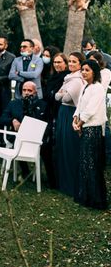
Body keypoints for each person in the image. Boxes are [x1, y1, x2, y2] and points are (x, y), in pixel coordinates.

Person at [72, 59, 108, 209]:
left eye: (87, 70)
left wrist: (80, 123)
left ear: (94, 72)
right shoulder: (85, 87)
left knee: (92, 163)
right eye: (82, 70)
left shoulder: (98, 88)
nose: (84, 73)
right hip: (84, 128)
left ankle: (96, 199)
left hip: (92, 129)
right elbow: (79, 107)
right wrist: (75, 119)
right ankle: (85, 195)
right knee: (84, 163)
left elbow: (91, 110)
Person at [54, 52, 85, 197]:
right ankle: (62, 183)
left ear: (80, 64)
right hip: (63, 112)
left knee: (69, 148)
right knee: (61, 146)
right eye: (70, 61)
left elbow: (64, 97)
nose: (71, 64)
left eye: (74, 62)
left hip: (70, 114)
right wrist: (60, 93)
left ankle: (71, 184)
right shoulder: (68, 78)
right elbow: (56, 95)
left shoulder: (77, 80)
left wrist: (61, 93)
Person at [41, 53, 69, 189]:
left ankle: (57, 180)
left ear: (66, 63)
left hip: (60, 114)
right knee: (47, 146)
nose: (57, 65)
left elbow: (57, 96)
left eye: (60, 62)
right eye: (55, 62)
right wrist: (53, 94)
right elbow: (48, 95)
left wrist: (53, 95)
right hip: (50, 114)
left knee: (57, 147)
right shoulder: (53, 78)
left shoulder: (67, 77)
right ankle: (52, 179)